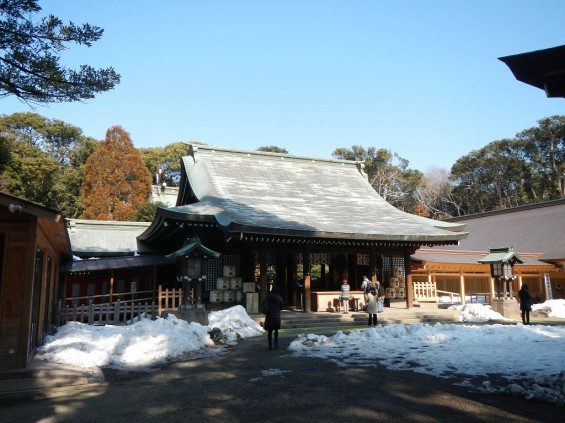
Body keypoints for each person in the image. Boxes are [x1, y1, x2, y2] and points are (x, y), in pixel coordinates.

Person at [263, 285, 284, 350]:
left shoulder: (268, 297)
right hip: (276, 316)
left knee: (269, 332)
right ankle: (276, 343)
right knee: (276, 331)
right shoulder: (279, 297)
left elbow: (263, 304)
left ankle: (270, 345)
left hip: (269, 316)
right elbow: (281, 307)